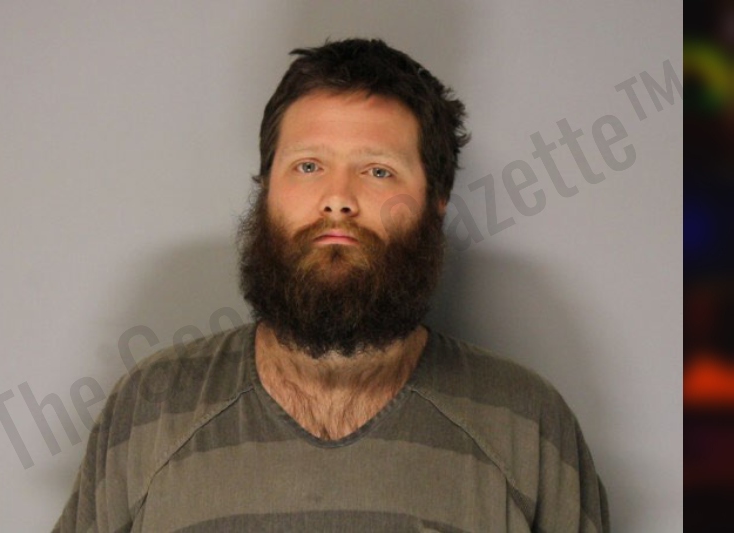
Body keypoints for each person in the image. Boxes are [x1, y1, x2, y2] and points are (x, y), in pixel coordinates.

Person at [54, 38, 609, 532]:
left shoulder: (526, 424)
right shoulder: (149, 414)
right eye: (308, 166)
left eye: (378, 171)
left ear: (436, 201)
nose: (338, 198)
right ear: (266, 188)